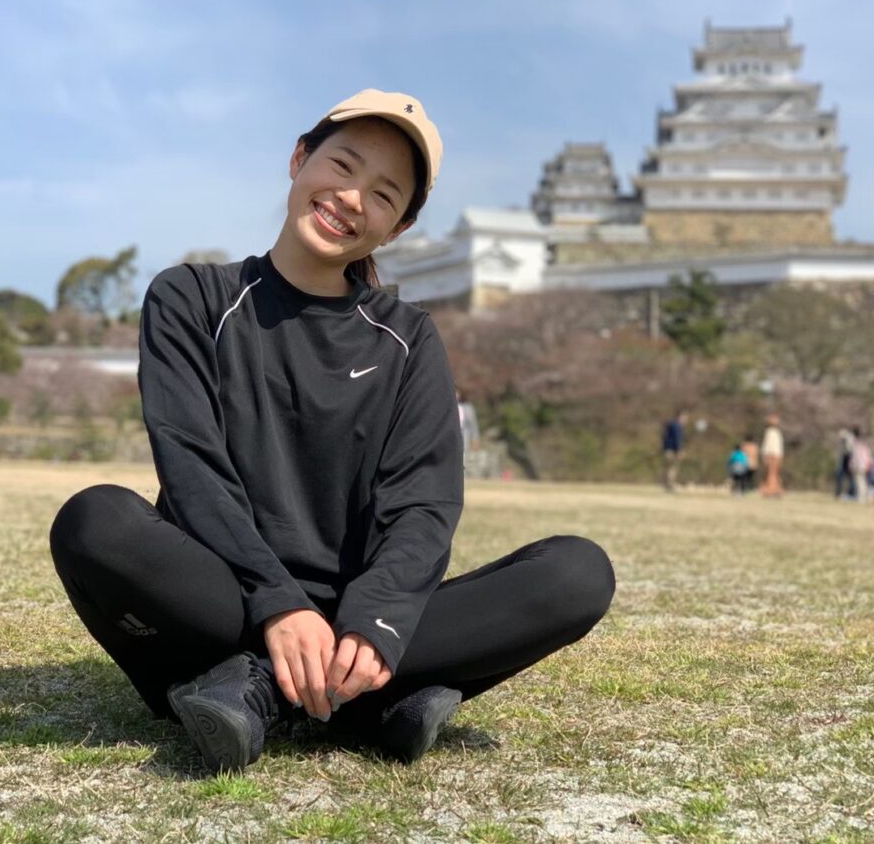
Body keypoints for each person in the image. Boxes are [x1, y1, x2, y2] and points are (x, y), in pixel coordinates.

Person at [48, 90, 615, 774]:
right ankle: (371, 705)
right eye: (342, 165)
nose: (350, 198)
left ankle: (260, 691)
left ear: (397, 228)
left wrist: (376, 621)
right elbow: (191, 465)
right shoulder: (191, 298)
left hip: (357, 612)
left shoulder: (407, 339)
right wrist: (278, 603)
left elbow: (424, 502)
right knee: (94, 521)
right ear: (299, 158)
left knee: (577, 573)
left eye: (382, 194)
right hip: (225, 595)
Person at [760, 414, 785, 497]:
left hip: (777, 455)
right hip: (771, 455)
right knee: (771, 473)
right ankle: (770, 490)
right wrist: (766, 456)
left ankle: (776, 490)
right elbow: (767, 446)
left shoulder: (777, 432)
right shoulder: (769, 432)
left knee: (775, 473)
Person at [661, 410, 685, 492]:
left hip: (667, 449)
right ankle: (670, 485)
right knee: (673, 468)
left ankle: (666, 485)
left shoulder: (670, 425)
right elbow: (677, 439)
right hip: (672, 450)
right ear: (680, 417)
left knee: (668, 468)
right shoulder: (677, 426)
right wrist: (679, 450)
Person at [850, 433, 873, 504]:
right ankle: (865, 497)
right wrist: (869, 466)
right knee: (863, 482)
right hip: (864, 467)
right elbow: (869, 459)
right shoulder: (865, 448)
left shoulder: (856, 449)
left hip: (859, 467)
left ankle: (861, 498)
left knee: (860, 483)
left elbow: (854, 459)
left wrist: (851, 466)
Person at [834, 426, 855, 500]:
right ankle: (839, 493)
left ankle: (851, 493)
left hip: (848, 460)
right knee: (841, 477)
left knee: (851, 478)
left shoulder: (849, 439)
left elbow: (850, 450)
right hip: (845, 460)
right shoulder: (845, 441)